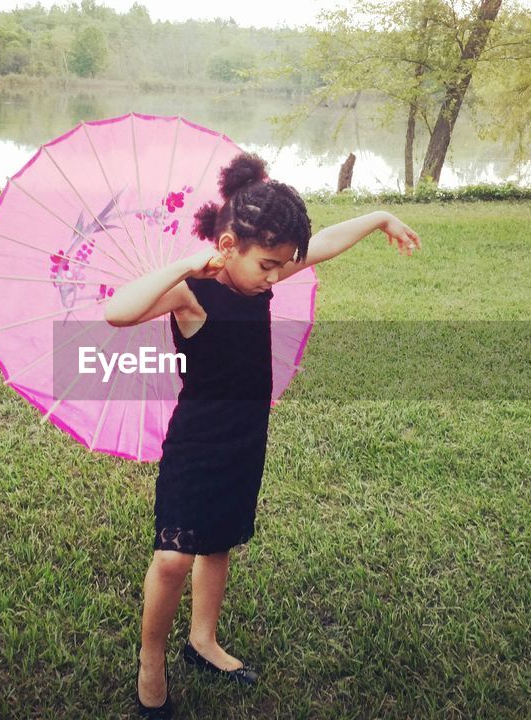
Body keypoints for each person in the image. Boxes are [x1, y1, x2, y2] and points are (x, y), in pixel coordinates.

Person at [104, 151, 421, 718]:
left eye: (283, 265)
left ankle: (203, 639)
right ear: (229, 247)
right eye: (269, 265)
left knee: (219, 541)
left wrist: (377, 217)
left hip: (246, 438)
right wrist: (183, 265)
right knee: (174, 557)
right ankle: (151, 660)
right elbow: (117, 313)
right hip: (196, 441)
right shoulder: (192, 293)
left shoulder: (262, 279)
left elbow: (322, 244)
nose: (278, 276)